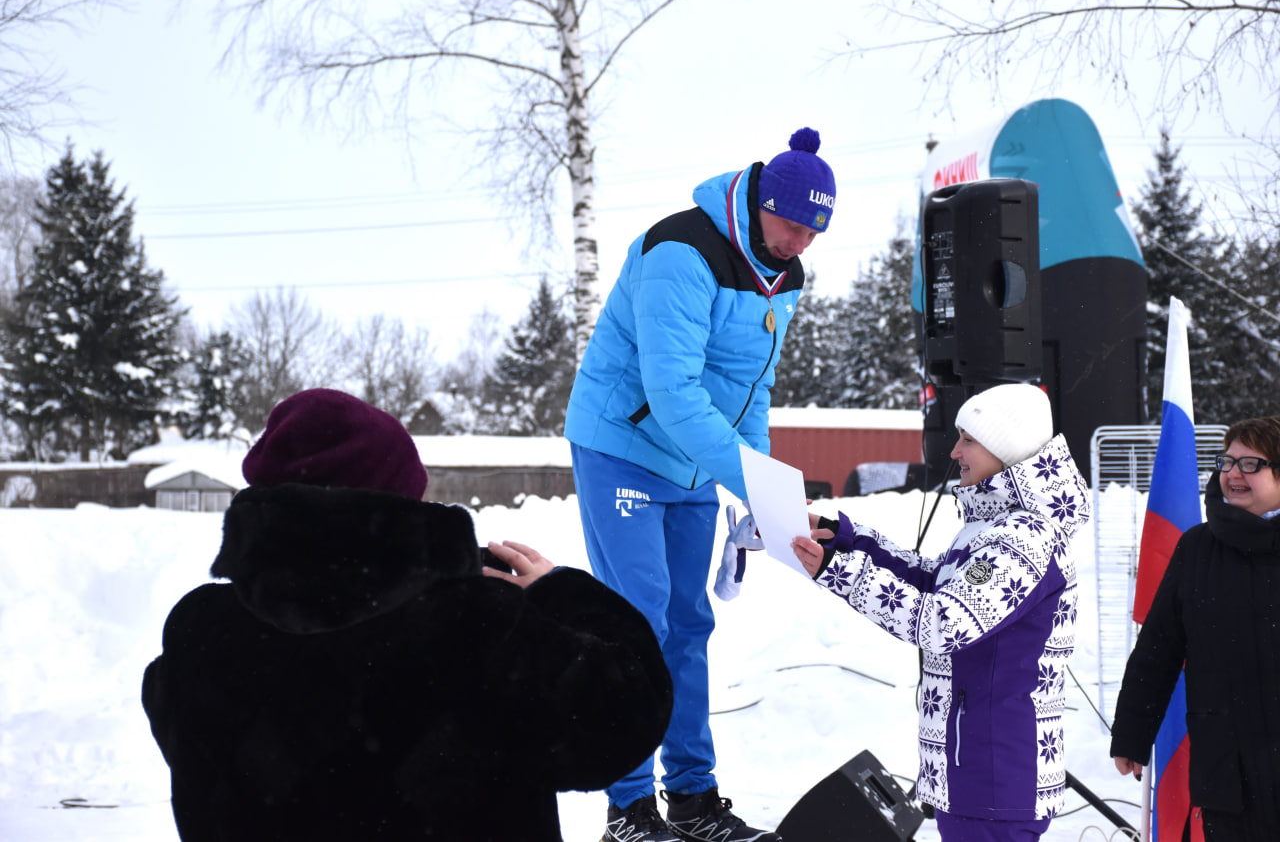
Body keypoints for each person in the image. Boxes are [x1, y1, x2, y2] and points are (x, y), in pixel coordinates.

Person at [141, 388, 673, 842]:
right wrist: (561, 594)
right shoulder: (474, 627)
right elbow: (628, 712)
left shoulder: (201, 635)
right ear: (399, 500)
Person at [563, 127, 836, 842]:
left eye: (814, 232)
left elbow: (753, 389)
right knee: (637, 623)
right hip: (623, 446)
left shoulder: (785, 275)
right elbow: (673, 392)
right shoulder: (681, 252)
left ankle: (691, 797)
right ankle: (627, 809)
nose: (801, 242)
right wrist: (750, 478)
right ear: (761, 203)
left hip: (690, 460)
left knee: (688, 625)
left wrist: (761, 488)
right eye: (792, 224)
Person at [790, 382, 1091, 842]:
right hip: (977, 771)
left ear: (1005, 449)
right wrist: (847, 539)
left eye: (969, 439)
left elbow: (942, 623)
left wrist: (841, 573)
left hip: (994, 776)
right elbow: (933, 582)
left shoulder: (1024, 539)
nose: (954, 452)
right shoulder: (993, 526)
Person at [1110, 416, 1280, 842]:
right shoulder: (1197, 548)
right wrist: (1132, 733)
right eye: (1227, 462)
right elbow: (1158, 650)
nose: (1233, 474)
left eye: (1251, 464)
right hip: (1229, 771)